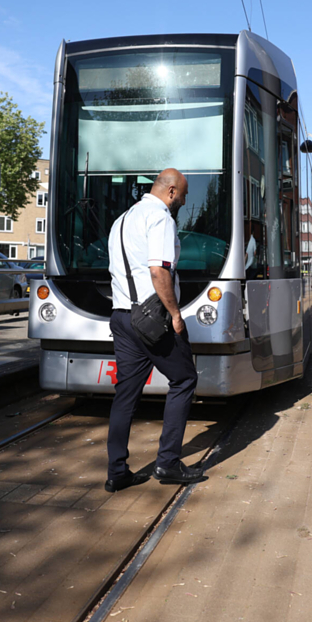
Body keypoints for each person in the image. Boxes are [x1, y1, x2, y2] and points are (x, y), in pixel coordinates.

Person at [106, 168, 205, 492]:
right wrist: (175, 314)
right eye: (185, 195)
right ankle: (168, 462)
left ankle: (117, 471)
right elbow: (158, 271)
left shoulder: (122, 220)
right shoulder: (160, 217)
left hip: (121, 316)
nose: (185, 201)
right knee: (184, 379)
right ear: (172, 191)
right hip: (151, 320)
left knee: (126, 394)